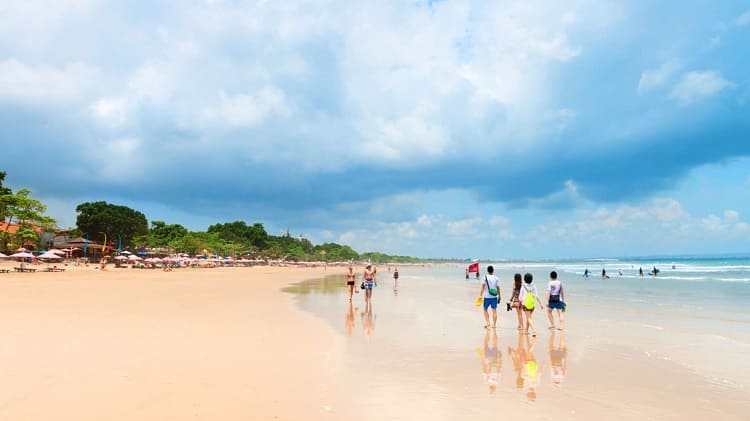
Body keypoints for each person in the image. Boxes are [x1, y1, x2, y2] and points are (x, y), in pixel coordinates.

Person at [479, 329, 502, 394]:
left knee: (494, 345)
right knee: (487, 344)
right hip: (490, 359)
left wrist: (500, 358)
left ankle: (492, 332)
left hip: (493, 360)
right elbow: (485, 369)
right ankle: (490, 332)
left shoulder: (496, 381)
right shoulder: (488, 381)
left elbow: (499, 369)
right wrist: (482, 358)